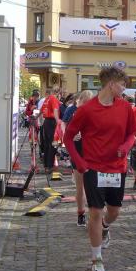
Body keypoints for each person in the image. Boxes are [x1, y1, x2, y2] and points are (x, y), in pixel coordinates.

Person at [63, 67, 136, 271]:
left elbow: (132, 133)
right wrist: (80, 163)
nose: (124, 89)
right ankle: (96, 259)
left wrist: (125, 146)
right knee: (95, 212)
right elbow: (68, 137)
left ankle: (105, 226)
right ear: (111, 84)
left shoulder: (125, 107)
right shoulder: (87, 109)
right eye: (122, 84)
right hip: (93, 168)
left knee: (114, 211)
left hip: (117, 168)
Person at [63, 90, 93, 226]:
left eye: (88, 103)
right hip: (78, 152)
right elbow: (65, 128)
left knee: (92, 187)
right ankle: (81, 213)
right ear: (78, 101)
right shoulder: (72, 111)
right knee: (80, 187)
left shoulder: (94, 113)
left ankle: (94, 214)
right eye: (83, 102)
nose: (86, 105)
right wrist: (72, 135)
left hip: (92, 154)